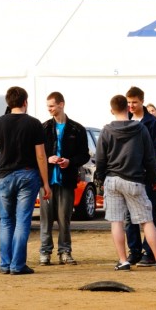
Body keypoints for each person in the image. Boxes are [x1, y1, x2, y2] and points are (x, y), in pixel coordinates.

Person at [94, 95, 156, 272]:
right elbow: (149, 157)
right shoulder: (140, 129)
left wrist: (100, 178)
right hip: (134, 179)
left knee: (117, 221)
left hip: (112, 179)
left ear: (111, 110)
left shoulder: (106, 130)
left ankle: (123, 261)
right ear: (128, 108)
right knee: (146, 221)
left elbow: (100, 158)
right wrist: (154, 179)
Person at [0, 86, 51, 275]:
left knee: (6, 221)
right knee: (22, 221)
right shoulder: (34, 123)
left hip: (6, 174)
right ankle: (17, 264)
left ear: (8, 102)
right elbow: (40, 155)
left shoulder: (0, 121)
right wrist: (45, 183)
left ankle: (5, 264)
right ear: (25, 102)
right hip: (28, 174)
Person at [39, 92, 90, 266]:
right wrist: (48, 159)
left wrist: (70, 161)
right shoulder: (43, 128)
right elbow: (36, 153)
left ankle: (65, 251)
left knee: (64, 219)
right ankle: (45, 252)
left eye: (52, 106)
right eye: (48, 106)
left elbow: (84, 155)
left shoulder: (77, 129)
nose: (49, 109)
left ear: (61, 104)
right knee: (45, 219)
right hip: (47, 182)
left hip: (66, 181)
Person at [125, 87, 156, 267]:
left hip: (148, 176)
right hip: (128, 176)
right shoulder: (124, 120)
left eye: (134, 102)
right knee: (128, 216)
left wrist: (151, 173)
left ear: (142, 101)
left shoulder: (153, 123)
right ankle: (134, 251)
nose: (131, 106)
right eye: (128, 102)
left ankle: (149, 252)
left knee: (148, 215)